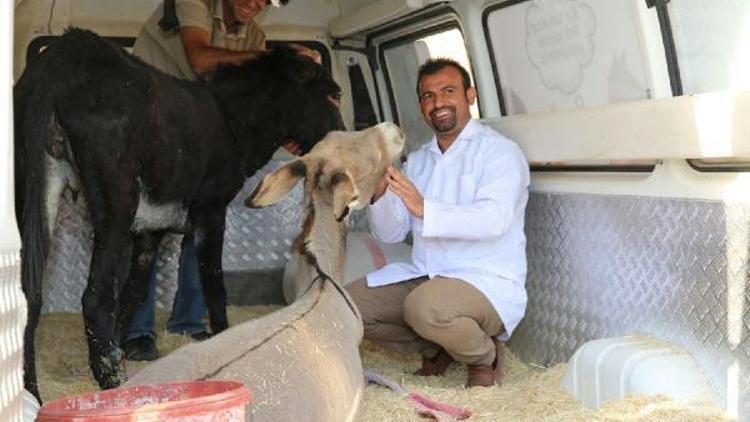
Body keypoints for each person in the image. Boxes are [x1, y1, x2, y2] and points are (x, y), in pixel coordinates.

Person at [122, 0, 317, 360]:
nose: (255, 3)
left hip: (197, 134)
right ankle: (136, 331)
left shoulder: (254, 34)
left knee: (204, 227)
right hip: (150, 125)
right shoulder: (192, 2)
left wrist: (284, 129)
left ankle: (189, 324)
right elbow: (200, 58)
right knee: (145, 233)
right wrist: (278, 58)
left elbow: (252, 94)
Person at [345, 58, 530, 387]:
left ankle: (484, 356)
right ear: (421, 106)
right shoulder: (417, 160)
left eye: (448, 91)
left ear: (469, 95)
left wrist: (424, 208)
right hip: (427, 276)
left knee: (424, 307)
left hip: (483, 280)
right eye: (428, 96)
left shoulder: (499, 152)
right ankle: (437, 347)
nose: (438, 102)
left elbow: (494, 220)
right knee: (348, 306)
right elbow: (390, 233)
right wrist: (379, 193)